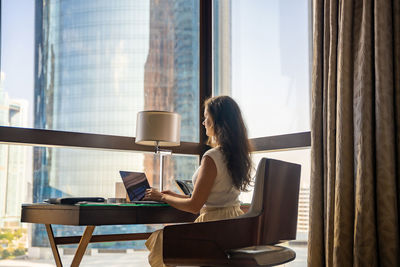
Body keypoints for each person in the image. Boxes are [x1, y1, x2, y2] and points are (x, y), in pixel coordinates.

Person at [143, 95, 253, 267]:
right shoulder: (239, 156)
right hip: (233, 225)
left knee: (160, 239)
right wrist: (175, 195)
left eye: (206, 118)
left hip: (213, 229)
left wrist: (162, 197)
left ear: (217, 122)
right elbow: (212, 199)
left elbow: (195, 206)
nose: (203, 123)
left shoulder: (212, 156)